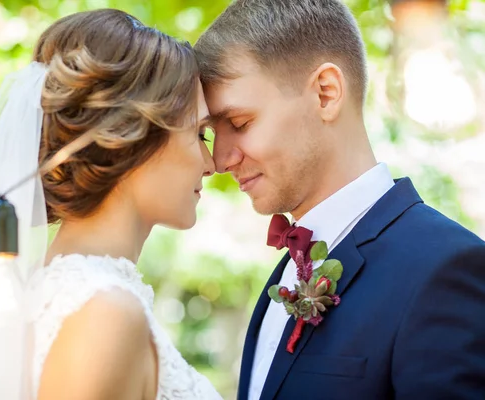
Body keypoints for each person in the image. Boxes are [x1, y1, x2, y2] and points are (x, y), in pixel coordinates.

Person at [0, 9, 222, 400]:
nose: (213, 164)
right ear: (129, 137)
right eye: (200, 134)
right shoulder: (105, 312)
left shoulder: (66, 295)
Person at [194, 0, 485, 399]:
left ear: (326, 94)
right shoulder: (282, 277)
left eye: (240, 124)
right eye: (212, 133)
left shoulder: (446, 268)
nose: (222, 159)